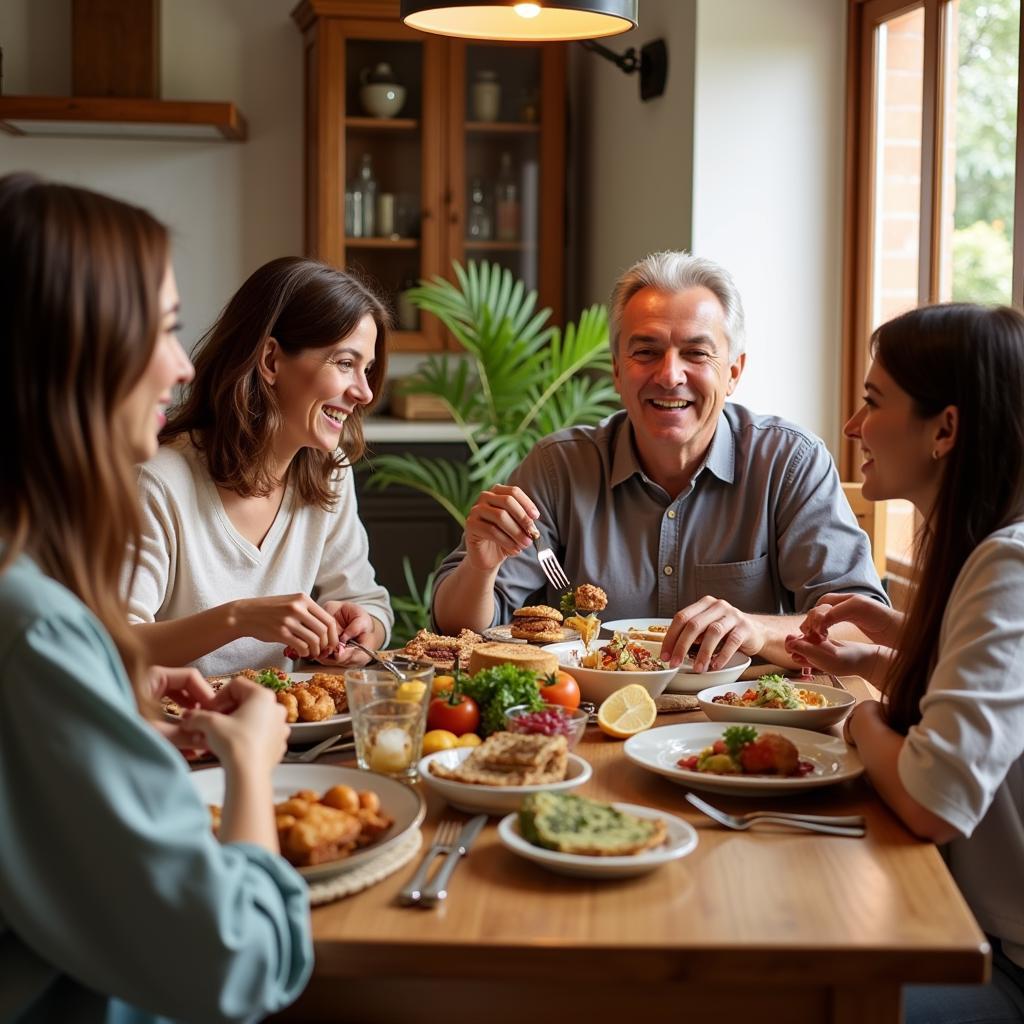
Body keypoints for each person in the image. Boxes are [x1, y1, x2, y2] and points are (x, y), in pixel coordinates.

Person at [0, 173, 312, 1021]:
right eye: (166, 329)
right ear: (77, 351)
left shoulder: (34, 589)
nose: (183, 365)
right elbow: (235, 962)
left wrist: (119, 707)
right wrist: (251, 763)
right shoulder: (32, 627)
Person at [432, 250, 887, 671]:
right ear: (615, 369)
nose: (669, 375)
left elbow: (861, 626)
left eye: (696, 353)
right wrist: (481, 566)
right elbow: (458, 631)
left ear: (733, 372)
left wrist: (757, 628)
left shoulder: (789, 462)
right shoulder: (559, 467)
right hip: (591, 716)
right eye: (646, 352)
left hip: (737, 722)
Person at [786, 303, 1024, 1023]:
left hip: (1001, 961)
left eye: (871, 402)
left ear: (945, 429)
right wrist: (890, 646)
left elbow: (931, 802)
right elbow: (991, 702)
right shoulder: (994, 547)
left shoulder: (1008, 564)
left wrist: (857, 713)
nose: (854, 427)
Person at [126, 256, 394, 678]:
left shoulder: (330, 473)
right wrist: (238, 619)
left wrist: (363, 630)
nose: (363, 392)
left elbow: (370, 602)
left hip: (286, 732)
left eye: (368, 369)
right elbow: (114, 645)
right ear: (270, 360)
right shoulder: (158, 481)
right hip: (178, 737)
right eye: (345, 363)